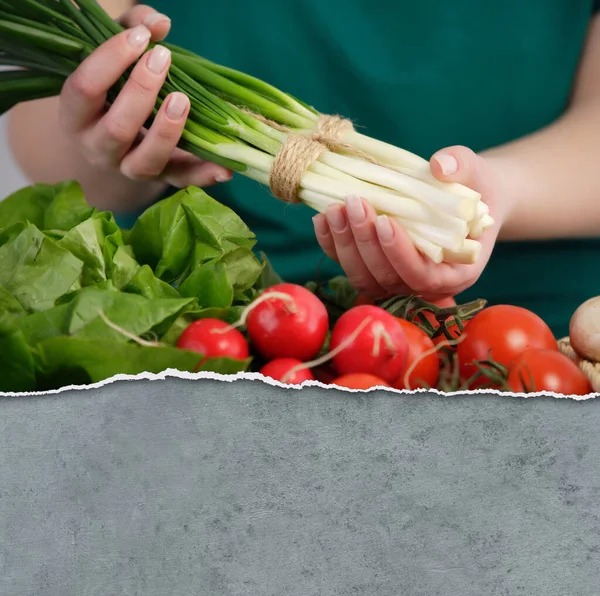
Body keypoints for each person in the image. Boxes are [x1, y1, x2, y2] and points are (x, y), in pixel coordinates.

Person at [7, 0, 600, 338]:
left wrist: (504, 191)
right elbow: (55, 157)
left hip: (551, 330)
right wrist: (109, 145)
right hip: (240, 321)